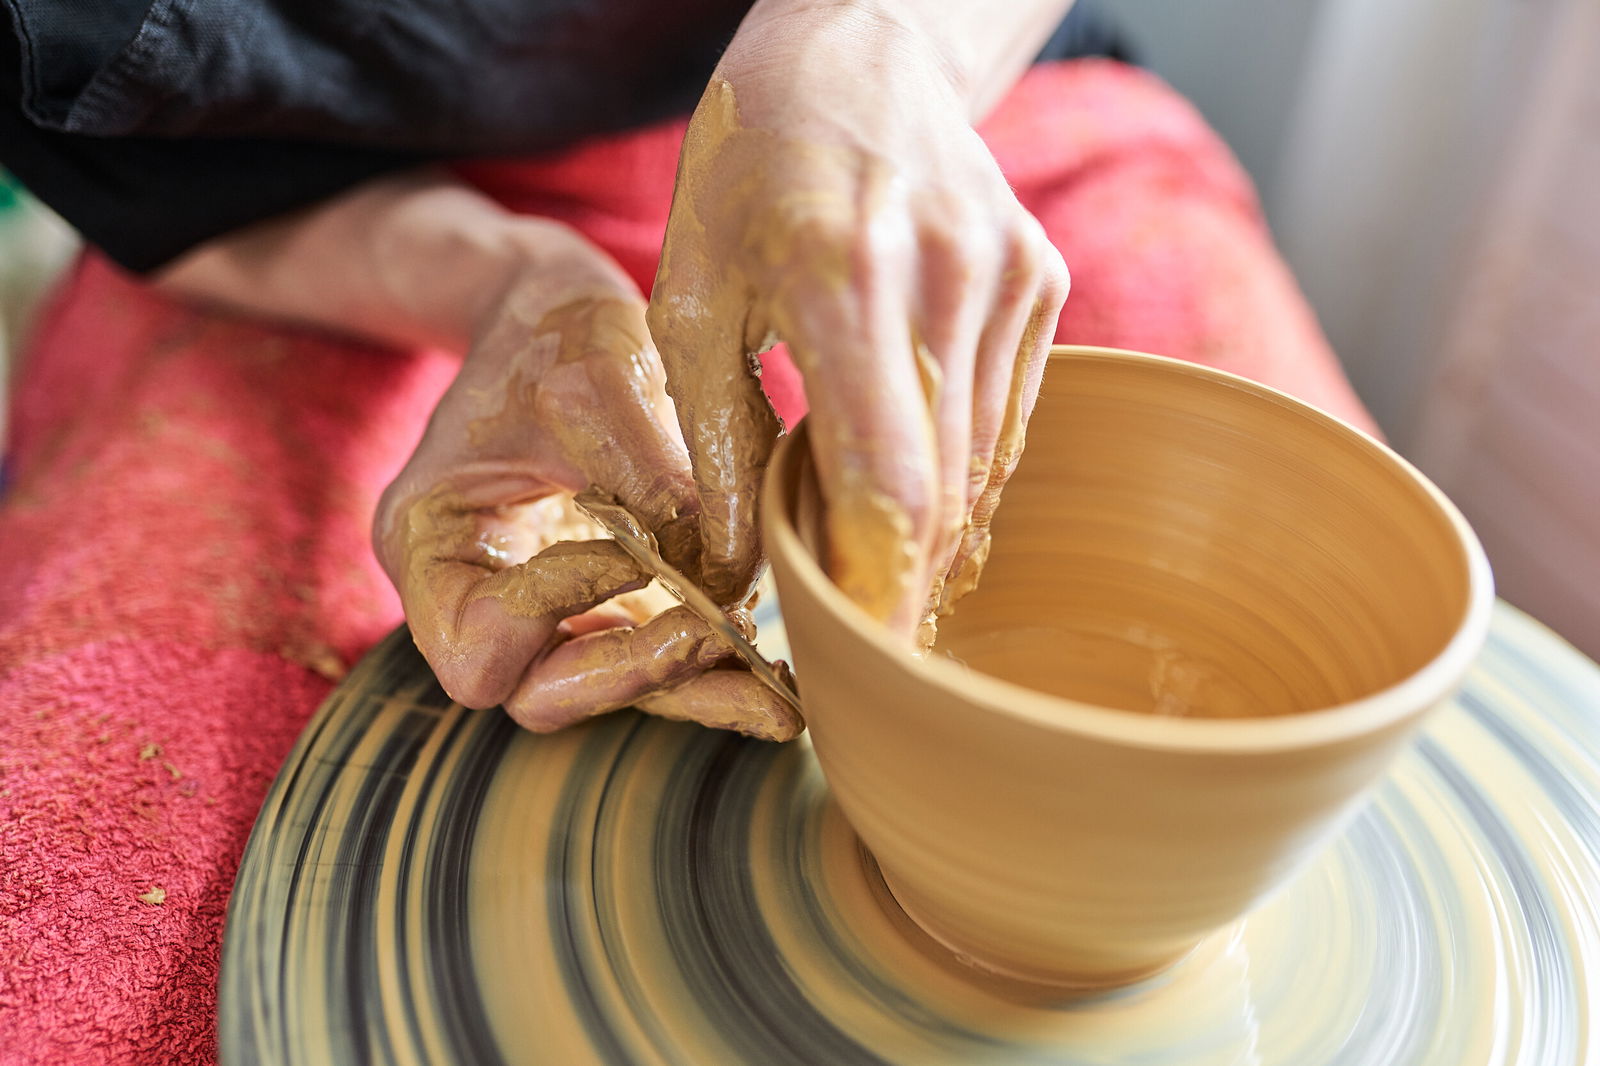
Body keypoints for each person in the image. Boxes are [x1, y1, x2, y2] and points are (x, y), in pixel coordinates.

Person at [0, 1, 1372, 1061]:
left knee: (1337, 565)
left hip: (945, 86)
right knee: (89, 935)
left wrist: (874, 41)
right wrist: (508, 287)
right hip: (322, 212)